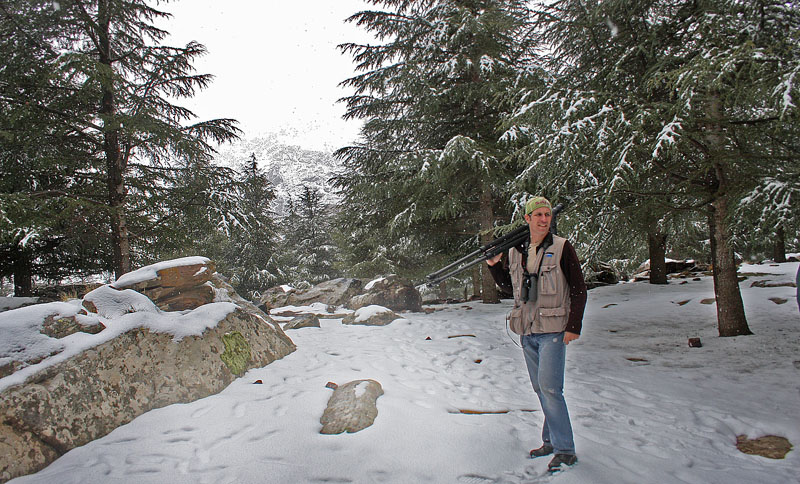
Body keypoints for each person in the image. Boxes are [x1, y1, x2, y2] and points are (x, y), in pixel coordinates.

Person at [487, 196, 587, 473]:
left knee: (552, 389)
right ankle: (551, 442)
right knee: (541, 389)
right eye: (538, 215)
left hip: (553, 330)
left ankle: (566, 450)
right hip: (528, 331)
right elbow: (511, 289)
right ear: (527, 219)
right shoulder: (516, 251)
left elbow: (579, 288)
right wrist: (495, 266)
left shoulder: (562, 247)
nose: (544, 219)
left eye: (547, 214)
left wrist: (573, 326)